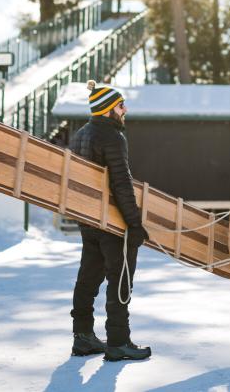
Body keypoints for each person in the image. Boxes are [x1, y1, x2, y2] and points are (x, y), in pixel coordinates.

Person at [69, 80, 151, 361]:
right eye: (120, 105)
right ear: (107, 109)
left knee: (88, 277)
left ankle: (83, 337)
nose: (125, 109)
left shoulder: (81, 134)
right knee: (120, 279)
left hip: (89, 219)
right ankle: (118, 342)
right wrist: (134, 224)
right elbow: (121, 183)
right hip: (111, 222)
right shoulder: (112, 137)